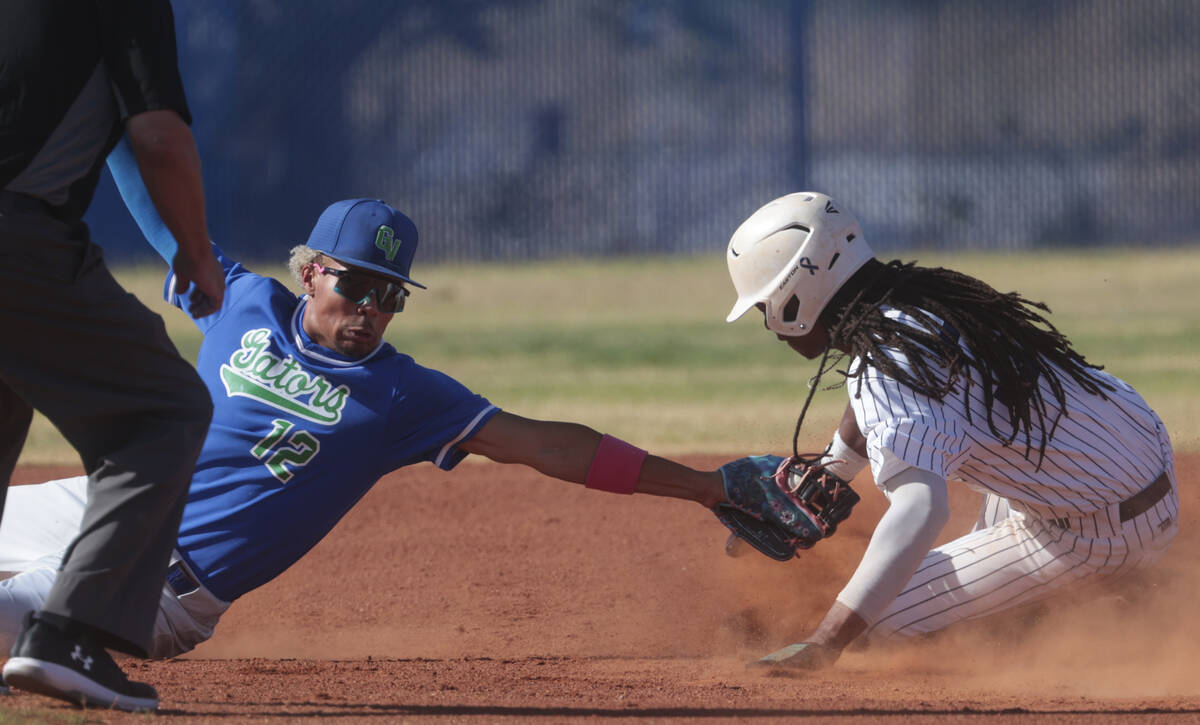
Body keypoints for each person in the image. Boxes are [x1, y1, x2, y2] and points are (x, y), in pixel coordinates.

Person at [0, 194, 735, 672]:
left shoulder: (403, 395)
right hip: (99, 504)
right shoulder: (244, 301)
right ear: (311, 272)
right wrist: (121, 94)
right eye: (355, 284)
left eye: (390, 295)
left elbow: (548, 445)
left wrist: (704, 486)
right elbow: (163, 213)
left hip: (157, 586)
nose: (371, 310)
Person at [723, 191, 1179, 669]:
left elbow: (922, 510)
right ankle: (1075, 581)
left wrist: (827, 640)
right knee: (994, 486)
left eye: (763, 307)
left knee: (877, 629)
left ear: (794, 295)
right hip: (1129, 446)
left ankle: (1107, 604)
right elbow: (878, 398)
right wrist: (832, 473)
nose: (769, 325)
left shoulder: (885, 370)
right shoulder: (914, 299)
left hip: (1100, 531)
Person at [0, 0, 226, 711]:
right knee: (163, 411)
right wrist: (196, 253)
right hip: (16, 236)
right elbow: (158, 137)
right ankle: (67, 633)